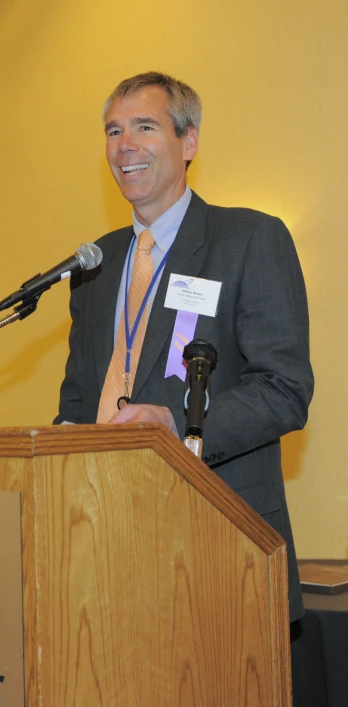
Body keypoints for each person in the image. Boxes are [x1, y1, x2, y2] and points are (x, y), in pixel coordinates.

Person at [54, 71, 313, 623]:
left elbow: (285, 390)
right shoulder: (94, 263)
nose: (124, 146)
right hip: (103, 541)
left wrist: (179, 425)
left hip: (218, 543)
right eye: (113, 130)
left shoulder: (250, 240)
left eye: (144, 127)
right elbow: (78, 401)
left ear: (188, 141)